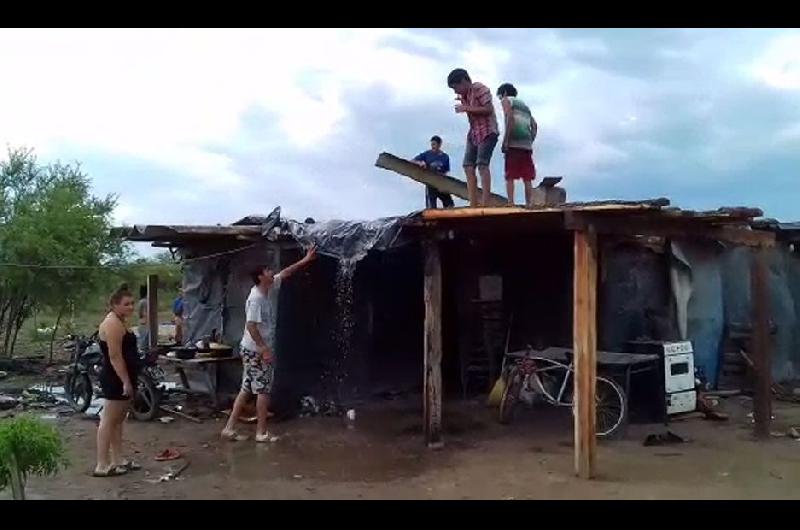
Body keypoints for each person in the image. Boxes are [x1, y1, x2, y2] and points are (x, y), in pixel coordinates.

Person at [221, 245, 318, 442]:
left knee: (246, 388)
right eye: (267, 271)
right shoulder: (256, 299)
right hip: (256, 350)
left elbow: (286, 273)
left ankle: (229, 428)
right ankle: (261, 433)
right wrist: (264, 348)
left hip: (250, 349)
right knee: (263, 391)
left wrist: (306, 260)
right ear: (260, 277)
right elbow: (250, 325)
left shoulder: (269, 287)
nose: (271, 272)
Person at [94, 284, 141, 477]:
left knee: (118, 420)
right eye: (126, 304)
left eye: (132, 303)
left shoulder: (121, 321)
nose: (131, 307)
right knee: (108, 420)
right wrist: (125, 382)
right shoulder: (112, 324)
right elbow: (115, 356)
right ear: (114, 305)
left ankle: (118, 459)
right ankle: (102, 464)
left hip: (124, 375)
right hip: (115, 377)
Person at [447, 68, 499, 207]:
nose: (456, 91)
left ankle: (486, 202)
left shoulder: (479, 89)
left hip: (488, 130)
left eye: (456, 87)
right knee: (468, 166)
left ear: (464, 81)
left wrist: (466, 108)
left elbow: (488, 109)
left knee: (482, 164)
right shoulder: (464, 95)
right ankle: (473, 202)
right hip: (474, 132)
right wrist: (465, 105)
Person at [497, 83, 537, 206]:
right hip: (526, 145)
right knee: (527, 176)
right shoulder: (524, 106)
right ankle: (529, 203)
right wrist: (530, 140)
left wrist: (506, 141)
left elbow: (510, 119)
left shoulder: (506, 100)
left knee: (510, 174)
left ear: (503, 93)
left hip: (513, 142)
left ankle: (510, 202)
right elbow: (534, 126)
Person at [412, 135, 454, 209]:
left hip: (441, 183)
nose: (433, 146)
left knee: (449, 204)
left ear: (439, 145)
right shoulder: (427, 154)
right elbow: (412, 161)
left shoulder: (445, 157)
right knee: (431, 207)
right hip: (430, 184)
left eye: (434, 144)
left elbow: (446, 172)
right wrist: (420, 163)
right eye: (432, 144)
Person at [136, 285, 149, 352]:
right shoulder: (144, 301)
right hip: (144, 323)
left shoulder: (143, 301)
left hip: (144, 322)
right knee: (144, 340)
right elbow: (141, 313)